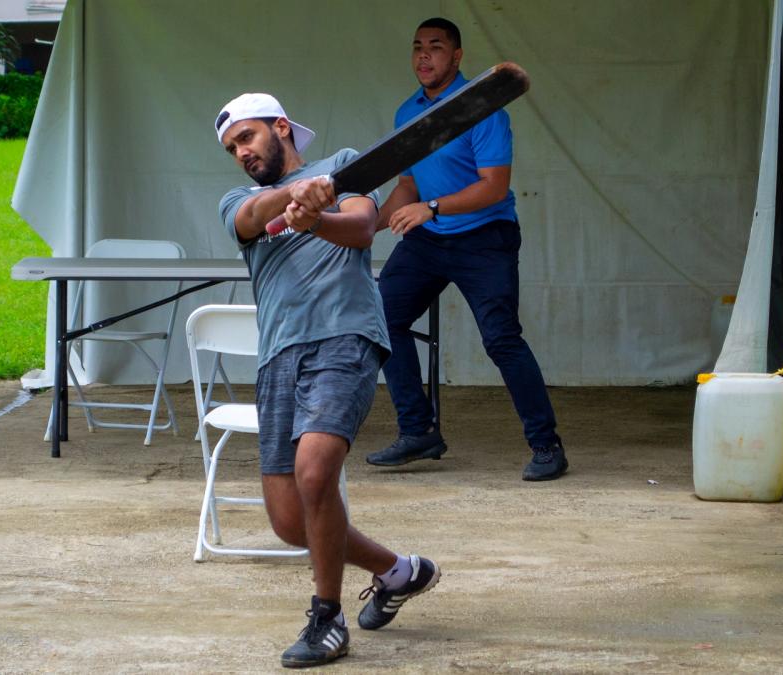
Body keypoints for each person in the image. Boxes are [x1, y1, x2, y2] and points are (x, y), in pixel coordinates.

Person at [215, 93, 440, 668]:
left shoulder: (342, 166)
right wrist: (295, 196)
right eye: (232, 147)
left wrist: (317, 215)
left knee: (316, 473)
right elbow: (250, 218)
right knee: (292, 524)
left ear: (280, 127)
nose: (241, 152)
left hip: (345, 336)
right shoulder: (236, 200)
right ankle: (397, 571)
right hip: (277, 356)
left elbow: (364, 228)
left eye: (247, 137)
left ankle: (327, 619)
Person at [370, 17, 568, 482]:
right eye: (417, 46)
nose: (424, 55)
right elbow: (407, 185)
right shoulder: (408, 113)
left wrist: (431, 208)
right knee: (381, 320)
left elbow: (493, 187)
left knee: (501, 339)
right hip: (429, 239)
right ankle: (418, 431)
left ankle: (547, 446)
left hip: (484, 238)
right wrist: (363, 227)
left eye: (436, 47)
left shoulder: (485, 109)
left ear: (457, 56)